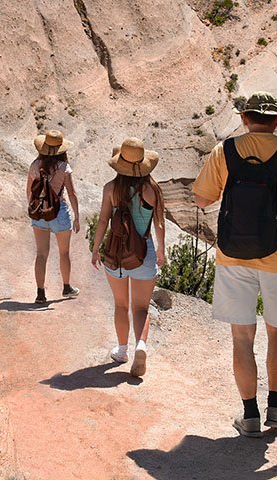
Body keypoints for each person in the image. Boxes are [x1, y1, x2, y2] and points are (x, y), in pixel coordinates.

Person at [192, 92, 277, 438]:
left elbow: (202, 198)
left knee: (241, 337)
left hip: (234, 256)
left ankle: (249, 414)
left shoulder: (225, 151)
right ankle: (276, 407)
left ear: (245, 118)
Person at [90, 138, 166, 378]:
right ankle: (140, 345)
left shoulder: (110, 189)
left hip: (116, 254)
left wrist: (95, 248)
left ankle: (121, 350)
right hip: (143, 253)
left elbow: (103, 220)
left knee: (121, 305)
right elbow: (159, 222)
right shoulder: (152, 189)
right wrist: (161, 251)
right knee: (141, 307)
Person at [27, 130, 81, 305]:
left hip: (40, 213)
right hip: (60, 212)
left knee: (41, 254)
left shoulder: (35, 165)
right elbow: (72, 193)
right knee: (64, 252)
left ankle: (40, 294)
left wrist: (36, 208)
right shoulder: (64, 168)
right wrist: (77, 216)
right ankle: (66, 287)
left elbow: (29, 191)